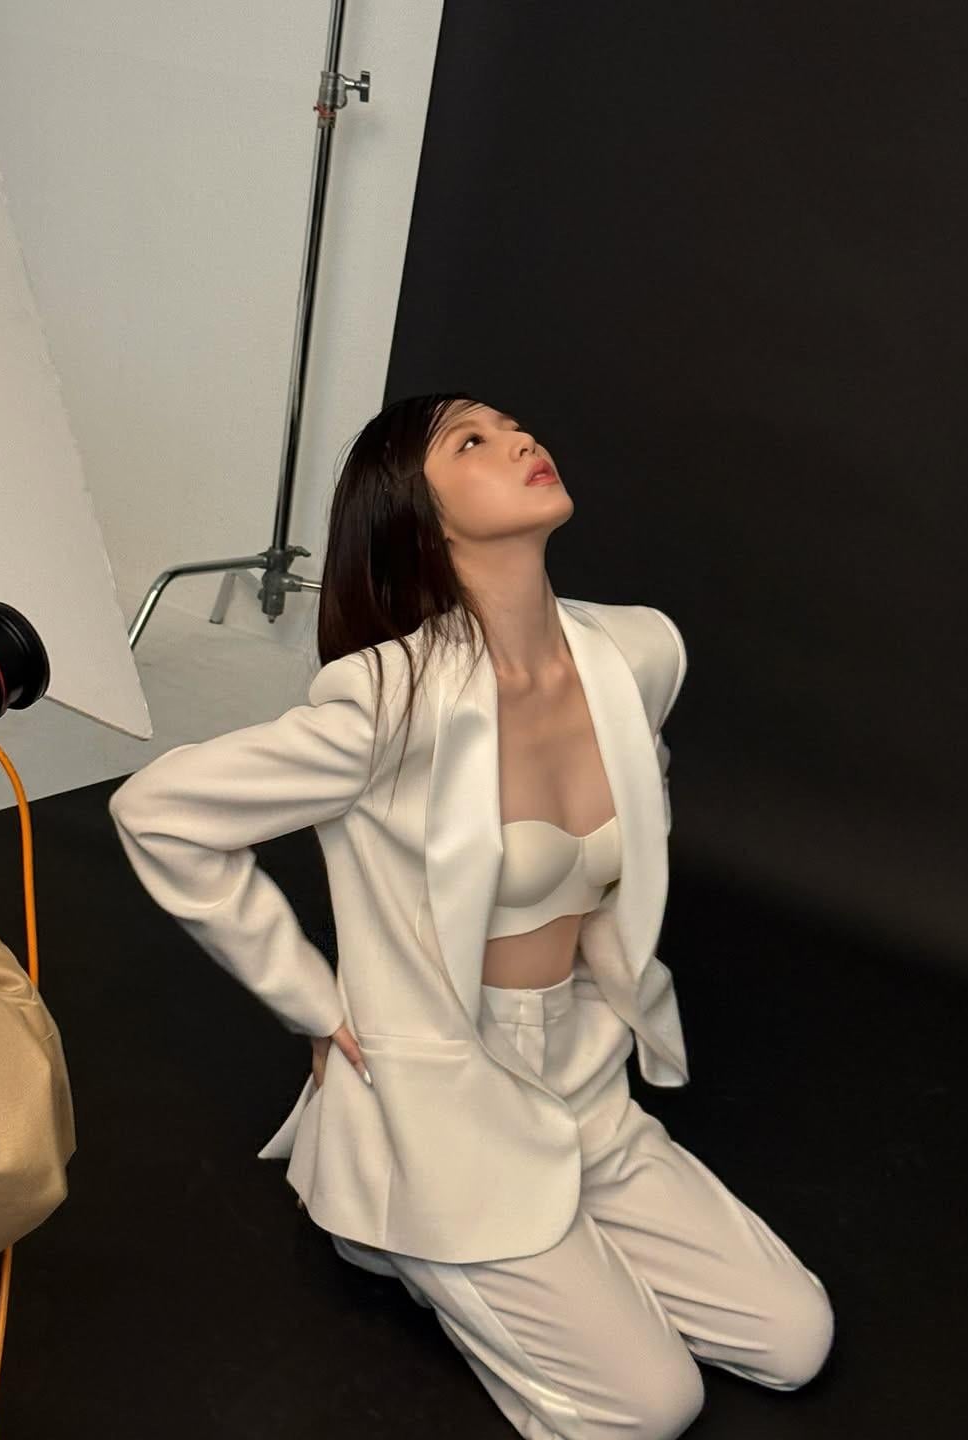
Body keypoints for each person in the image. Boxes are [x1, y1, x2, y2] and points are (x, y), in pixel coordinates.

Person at [109, 392, 834, 1440]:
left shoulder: (637, 656)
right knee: (653, 1408)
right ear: (423, 517)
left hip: (583, 1073)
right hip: (444, 1103)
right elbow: (160, 812)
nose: (522, 440)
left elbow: (638, 805)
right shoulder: (389, 702)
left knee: (795, 1338)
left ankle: (539, 1248)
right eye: (472, 442)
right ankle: (401, 1227)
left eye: (513, 426)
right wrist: (315, 1003)